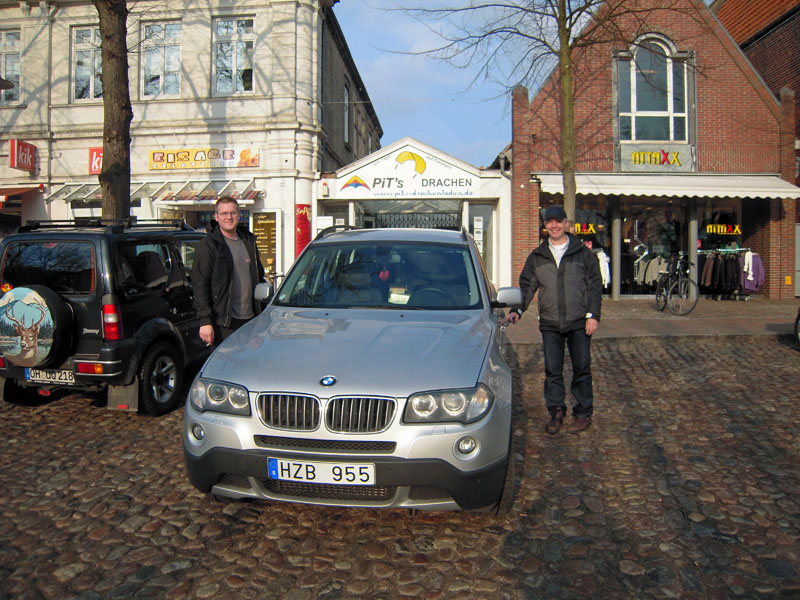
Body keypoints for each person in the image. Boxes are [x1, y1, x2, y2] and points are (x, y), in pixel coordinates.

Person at [504, 205, 602, 434]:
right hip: (550, 321)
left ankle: (583, 412)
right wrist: (517, 309)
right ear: (545, 225)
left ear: (566, 223)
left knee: (581, 368)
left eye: (558, 221)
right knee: (553, 370)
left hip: (579, 321)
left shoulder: (582, 253)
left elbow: (594, 286)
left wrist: (593, 315)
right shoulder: (538, 256)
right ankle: (556, 410)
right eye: (550, 222)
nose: (554, 226)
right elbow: (527, 285)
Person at [193, 196, 265, 346]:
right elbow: (200, 284)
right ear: (216, 217)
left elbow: (259, 279)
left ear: (239, 215)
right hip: (223, 323)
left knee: (249, 360)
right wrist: (205, 321)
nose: (229, 217)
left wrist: (261, 318)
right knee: (226, 361)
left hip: (250, 322)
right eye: (224, 213)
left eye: (233, 213)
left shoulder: (249, 242)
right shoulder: (209, 245)